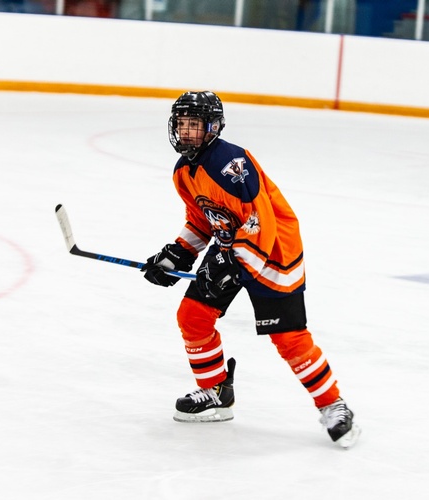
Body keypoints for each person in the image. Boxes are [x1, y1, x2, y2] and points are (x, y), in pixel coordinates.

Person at [141, 91, 361, 448]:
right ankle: (215, 392)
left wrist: (235, 264)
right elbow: (202, 219)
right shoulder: (184, 172)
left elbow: (262, 221)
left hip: (273, 252)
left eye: (194, 125)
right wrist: (177, 254)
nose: (185, 132)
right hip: (232, 245)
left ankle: (333, 405)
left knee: (288, 337)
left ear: (212, 128)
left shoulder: (231, 164)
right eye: (181, 124)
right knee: (193, 316)